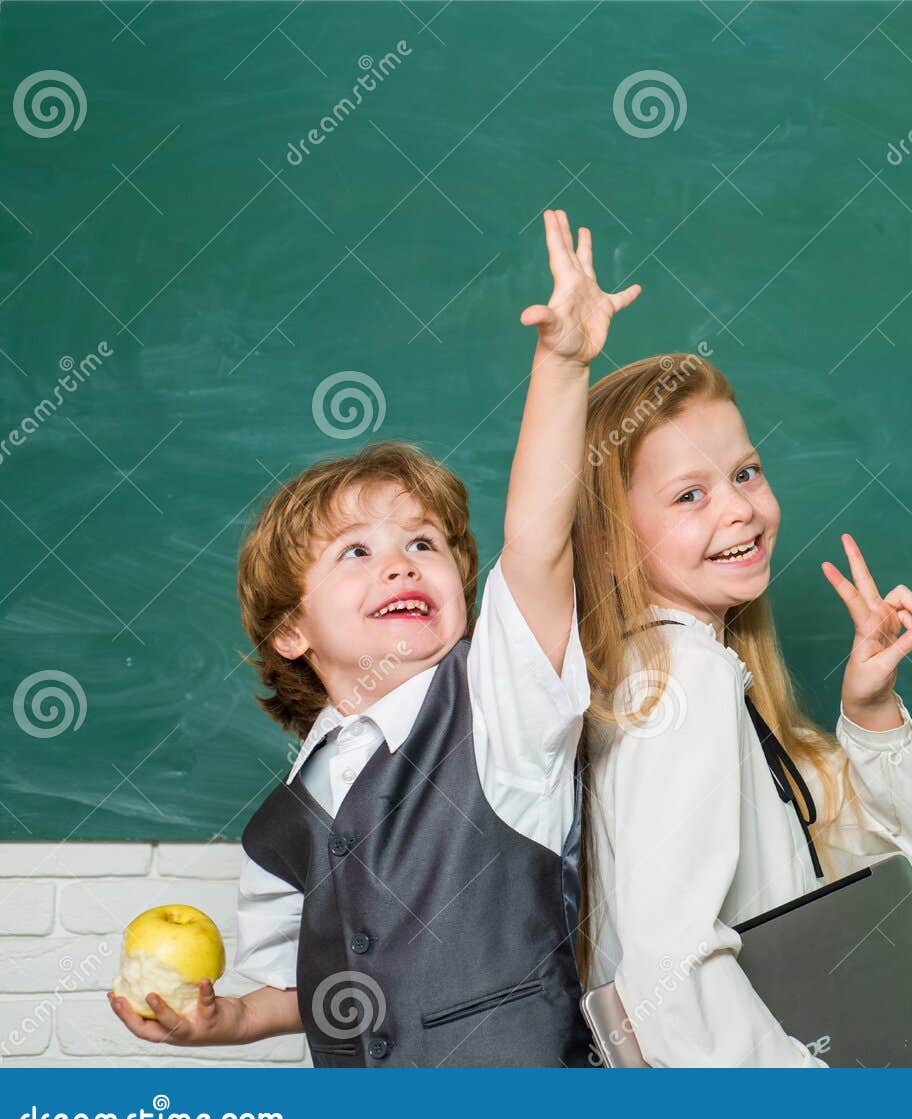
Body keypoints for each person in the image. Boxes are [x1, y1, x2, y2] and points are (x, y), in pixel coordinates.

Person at [108, 210, 640, 1066]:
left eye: (423, 544)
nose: (400, 565)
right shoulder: (299, 798)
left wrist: (564, 364)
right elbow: (316, 984)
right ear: (291, 631)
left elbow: (538, 539)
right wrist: (226, 1022)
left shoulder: (502, 704)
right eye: (358, 552)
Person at [568, 344, 912, 1066]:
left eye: (745, 473)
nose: (741, 509)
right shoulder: (683, 678)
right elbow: (669, 976)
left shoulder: (691, 669)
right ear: (611, 546)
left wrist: (869, 706)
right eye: (689, 495)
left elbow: (854, 892)